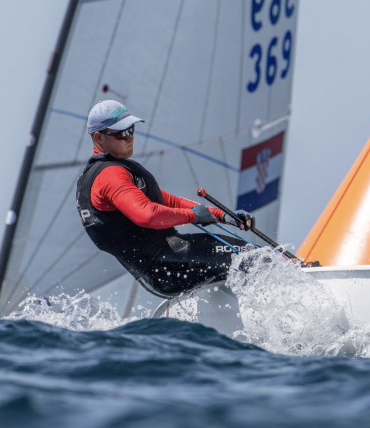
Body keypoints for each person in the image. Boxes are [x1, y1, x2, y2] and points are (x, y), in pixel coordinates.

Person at [76, 100, 253, 299]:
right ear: (99, 137)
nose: (130, 137)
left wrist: (222, 215)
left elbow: (167, 201)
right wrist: (192, 217)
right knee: (255, 257)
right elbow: (148, 215)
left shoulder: (104, 174)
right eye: (121, 133)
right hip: (169, 261)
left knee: (245, 260)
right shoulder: (110, 175)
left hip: (160, 271)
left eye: (131, 129)